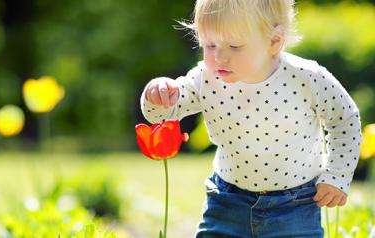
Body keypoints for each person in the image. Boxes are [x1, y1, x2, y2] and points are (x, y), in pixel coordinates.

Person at [139, 0, 362, 237]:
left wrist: (337, 175)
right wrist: (157, 94)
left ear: (274, 41)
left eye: (234, 46)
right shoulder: (204, 79)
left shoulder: (307, 78)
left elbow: (345, 118)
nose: (220, 57)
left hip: (296, 204)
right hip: (227, 201)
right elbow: (160, 115)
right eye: (210, 44)